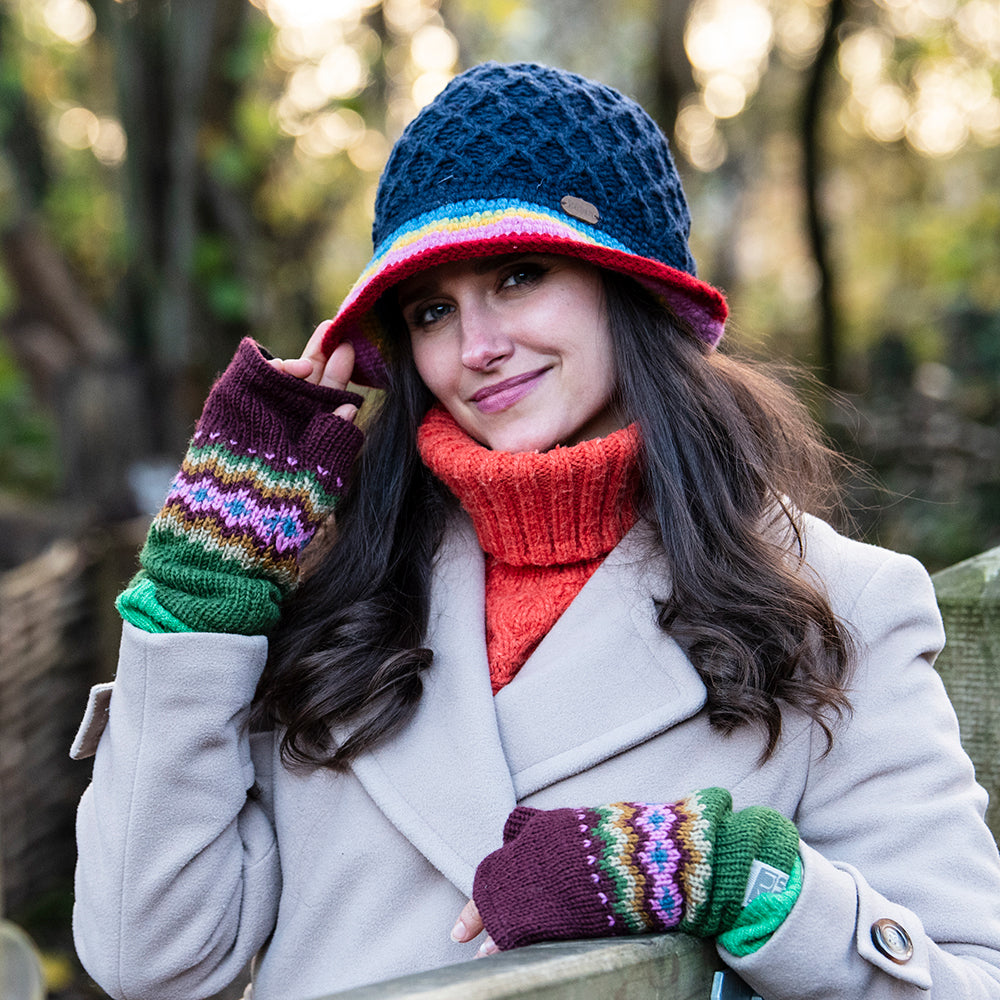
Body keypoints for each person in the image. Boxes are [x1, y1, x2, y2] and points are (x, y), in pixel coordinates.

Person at [71, 61, 1000, 1000]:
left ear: (627, 284)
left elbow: (964, 978)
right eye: (432, 310)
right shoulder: (339, 594)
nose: (477, 347)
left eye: (520, 276)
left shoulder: (837, 603)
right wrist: (199, 593)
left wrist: (726, 877)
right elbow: (148, 958)